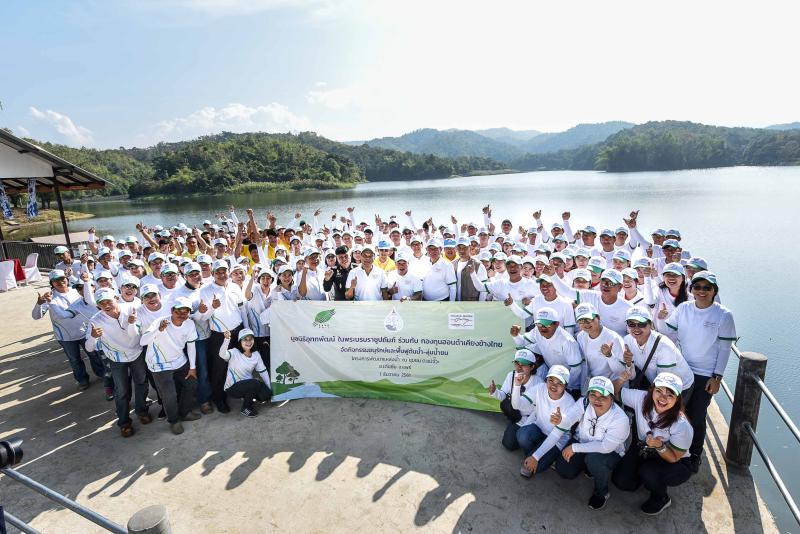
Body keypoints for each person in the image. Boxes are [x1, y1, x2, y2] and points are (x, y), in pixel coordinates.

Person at [664, 271, 736, 473]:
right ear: (691, 289)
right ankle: (673, 448)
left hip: (705, 374)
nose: (701, 291)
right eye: (697, 287)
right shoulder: (683, 308)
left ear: (714, 291)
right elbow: (669, 332)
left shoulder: (724, 315)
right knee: (675, 411)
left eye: (707, 287)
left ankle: (695, 454)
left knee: (696, 416)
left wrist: (717, 377)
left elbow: (725, 348)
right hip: (681, 369)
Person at [612, 372, 694, 515]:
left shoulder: (681, 425)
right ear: (651, 390)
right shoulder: (641, 398)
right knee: (621, 482)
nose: (662, 398)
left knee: (649, 472)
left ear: (677, 399)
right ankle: (644, 478)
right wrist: (621, 379)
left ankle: (661, 497)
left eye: (670, 395)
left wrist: (659, 446)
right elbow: (613, 393)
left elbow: (674, 457)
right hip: (644, 449)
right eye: (659, 391)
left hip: (674, 460)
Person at [546, 376, 630, 510]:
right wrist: (561, 420)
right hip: (583, 441)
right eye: (593, 395)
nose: (597, 400)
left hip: (608, 452)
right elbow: (570, 418)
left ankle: (601, 492)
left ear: (612, 398)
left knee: (594, 460)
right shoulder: (584, 402)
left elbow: (605, 447)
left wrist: (574, 447)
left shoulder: (620, 419)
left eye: (603, 396)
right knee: (564, 470)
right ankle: (588, 467)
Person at [85, 288, 149, 437]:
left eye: (108, 301)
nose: (106, 305)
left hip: (136, 353)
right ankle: (124, 422)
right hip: (116, 359)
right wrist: (93, 336)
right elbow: (89, 348)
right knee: (121, 391)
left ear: (116, 298)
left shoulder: (132, 308)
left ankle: (142, 411)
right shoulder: (95, 320)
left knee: (141, 383)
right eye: (101, 303)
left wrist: (134, 323)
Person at [32, 270, 105, 391]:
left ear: (66, 279)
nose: (60, 282)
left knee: (94, 354)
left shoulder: (76, 290)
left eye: (62, 279)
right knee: (75, 359)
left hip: (84, 331)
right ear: (52, 283)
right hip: (65, 336)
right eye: (56, 280)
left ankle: (102, 374)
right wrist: (39, 304)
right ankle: (82, 380)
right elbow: (36, 316)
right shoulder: (49, 296)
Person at [139, 296, 200, 435]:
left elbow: (191, 345)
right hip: (159, 364)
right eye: (178, 311)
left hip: (179, 360)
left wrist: (192, 367)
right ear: (172, 311)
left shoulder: (189, 324)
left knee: (191, 384)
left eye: (185, 311)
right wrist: (158, 330)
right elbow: (143, 341)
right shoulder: (159, 322)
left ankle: (185, 413)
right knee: (169, 394)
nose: (182, 314)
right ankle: (174, 421)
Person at [199, 260, 247, 413]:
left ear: (228, 272)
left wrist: (246, 329)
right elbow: (203, 317)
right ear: (213, 274)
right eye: (218, 272)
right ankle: (218, 398)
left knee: (238, 363)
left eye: (224, 271)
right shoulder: (205, 290)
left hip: (238, 330)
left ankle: (240, 392)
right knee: (219, 368)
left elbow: (242, 309)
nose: (221, 275)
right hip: (220, 335)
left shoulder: (234, 286)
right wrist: (212, 308)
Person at [516, 365, 576, 477]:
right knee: (522, 435)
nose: (554, 385)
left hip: (557, 440)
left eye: (559, 383)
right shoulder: (540, 388)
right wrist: (516, 386)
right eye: (551, 380)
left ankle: (542, 455)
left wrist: (535, 457)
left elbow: (556, 435)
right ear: (546, 380)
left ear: (566, 386)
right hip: (540, 429)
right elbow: (517, 405)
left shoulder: (570, 403)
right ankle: (537, 452)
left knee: (536, 468)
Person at [511, 308, 584, 396]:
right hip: (553, 378)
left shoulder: (567, 341)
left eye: (547, 324)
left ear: (557, 324)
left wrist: (566, 386)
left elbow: (577, 369)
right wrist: (516, 335)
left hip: (570, 384)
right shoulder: (537, 331)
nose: (542, 327)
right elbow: (522, 342)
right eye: (539, 324)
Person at [623, 307, 694, 398]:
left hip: (679, 387)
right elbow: (632, 376)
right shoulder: (627, 341)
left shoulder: (664, 347)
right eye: (631, 324)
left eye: (642, 324)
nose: (636, 328)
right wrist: (629, 363)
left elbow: (664, 384)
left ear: (651, 324)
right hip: (656, 383)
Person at [488, 349, 540, 450]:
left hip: (531, 419)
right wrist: (495, 392)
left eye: (523, 364)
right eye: (516, 363)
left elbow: (539, 410)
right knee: (508, 444)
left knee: (524, 438)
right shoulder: (511, 376)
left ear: (532, 367)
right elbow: (503, 395)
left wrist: (525, 425)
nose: (519, 368)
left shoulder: (538, 383)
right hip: (516, 416)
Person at [219, 328, 272, 417]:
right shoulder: (234, 352)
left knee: (266, 395)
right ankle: (245, 408)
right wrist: (226, 339)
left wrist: (269, 388)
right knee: (254, 383)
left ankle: (248, 396)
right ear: (240, 341)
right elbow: (222, 354)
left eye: (250, 339)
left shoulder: (256, 354)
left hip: (248, 384)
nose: (248, 342)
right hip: (232, 388)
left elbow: (263, 372)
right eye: (245, 339)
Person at [574, 303, 628, 387]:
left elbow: (622, 371)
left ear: (598, 318)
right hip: (593, 384)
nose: (586, 324)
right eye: (581, 321)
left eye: (589, 319)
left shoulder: (614, 338)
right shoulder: (581, 337)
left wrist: (609, 356)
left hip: (613, 385)